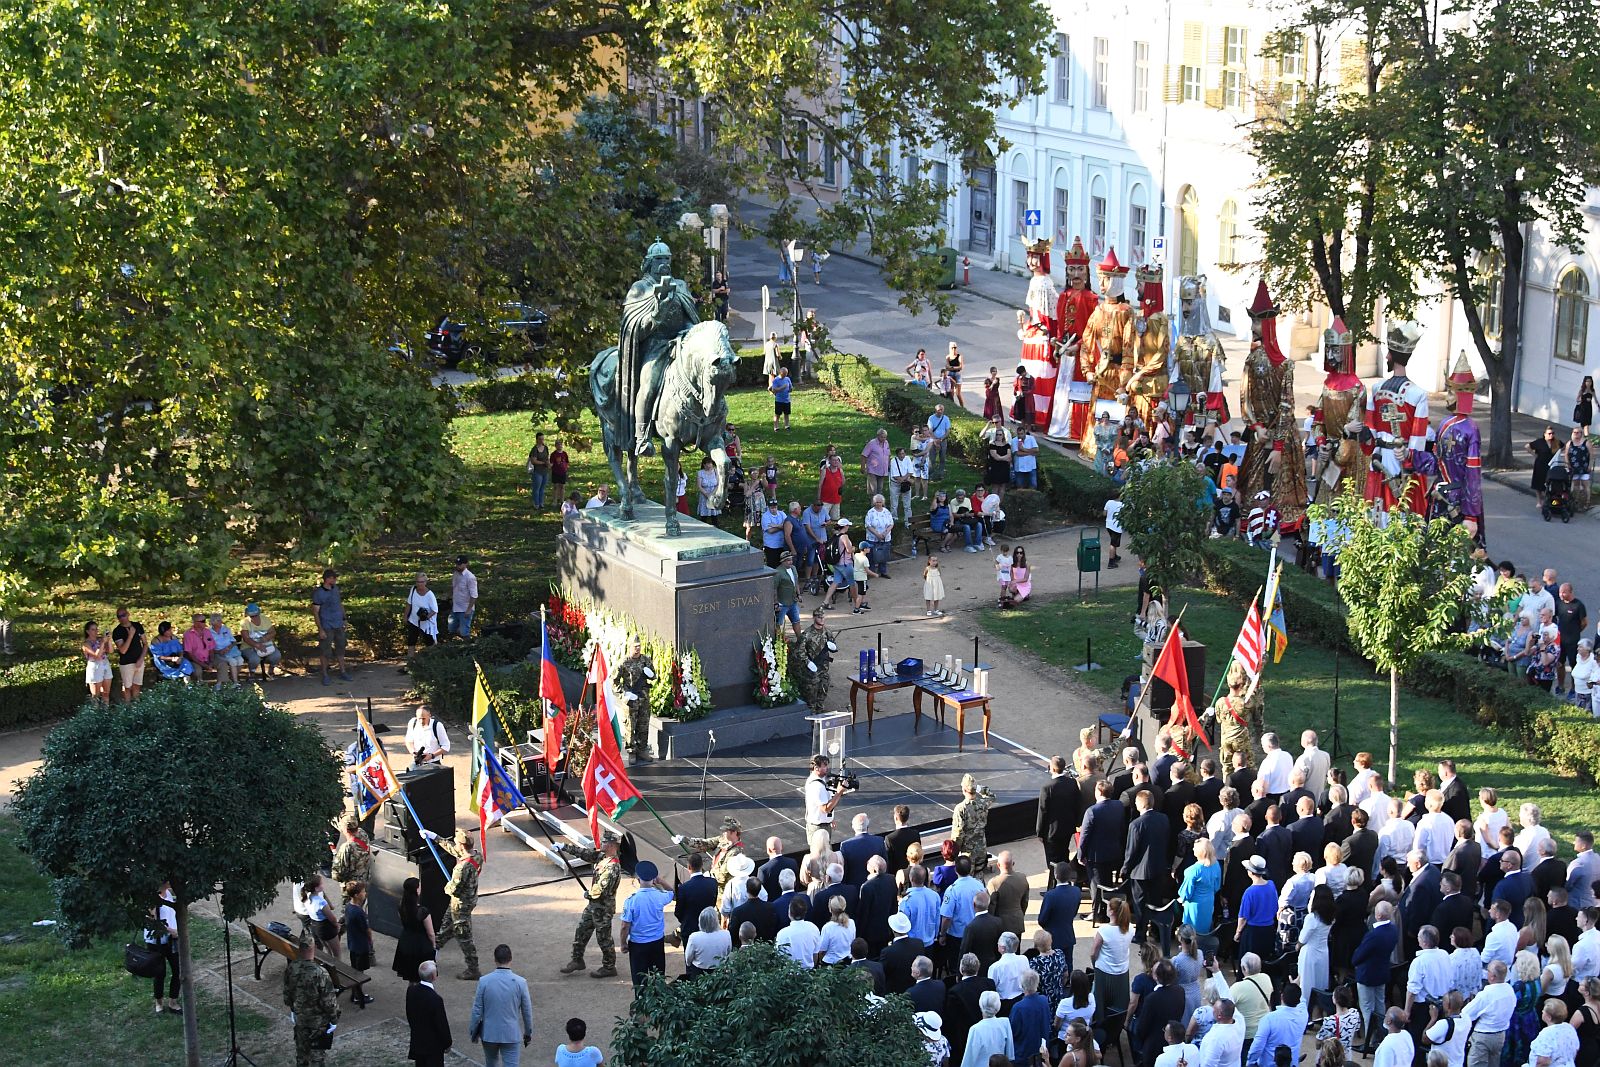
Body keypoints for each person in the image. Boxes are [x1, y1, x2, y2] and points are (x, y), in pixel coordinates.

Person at [554, 831, 623, 978]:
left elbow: (601, 890)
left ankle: (609, 967)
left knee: (603, 938)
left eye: (604, 842)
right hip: (594, 906)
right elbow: (586, 854)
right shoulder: (602, 857)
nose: (601, 844)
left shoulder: (613, 868)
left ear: (611, 845)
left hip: (603, 909)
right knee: (581, 931)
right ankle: (577, 960)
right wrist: (564, 847)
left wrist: (588, 894)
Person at [420, 827, 482, 980]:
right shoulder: (476, 855)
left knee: (463, 936)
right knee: (446, 926)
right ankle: (433, 951)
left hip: (461, 904)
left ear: (461, 845)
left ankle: (473, 968)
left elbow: (452, 889)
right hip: (465, 901)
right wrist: (435, 836)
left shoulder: (461, 868)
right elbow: (455, 851)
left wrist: (446, 886)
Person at [469, 944, 533, 1067]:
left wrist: (473, 1031)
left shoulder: (484, 981)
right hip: (511, 1033)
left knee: (491, 1063)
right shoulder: (521, 982)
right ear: (511, 959)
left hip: (489, 1033)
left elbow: (477, 1009)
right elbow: (527, 1011)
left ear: (495, 960)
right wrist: (528, 1033)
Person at [287, 935, 342, 1067]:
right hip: (318, 1022)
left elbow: (287, 994)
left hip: (300, 1018)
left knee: (301, 1053)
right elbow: (328, 1001)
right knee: (317, 1056)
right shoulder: (320, 973)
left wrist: (293, 1009)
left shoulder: (292, 968)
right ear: (314, 948)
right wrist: (334, 1019)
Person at [618, 861, 673, 990]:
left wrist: (623, 943)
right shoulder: (660, 896)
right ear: (654, 879)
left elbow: (625, 926)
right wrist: (661, 881)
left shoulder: (631, 901)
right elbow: (671, 892)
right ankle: (659, 1004)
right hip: (657, 942)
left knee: (639, 980)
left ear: (638, 879)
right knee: (658, 977)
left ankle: (641, 1006)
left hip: (638, 945)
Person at [406, 960, 451, 1067]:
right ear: (434, 976)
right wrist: (447, 1042)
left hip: (418, 1041)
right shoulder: (435, 999)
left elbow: (409, 1014)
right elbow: (441, 1024)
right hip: (433, 1047)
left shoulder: (411, 991)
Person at [392, 876, 438, 982]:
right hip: (421, 945)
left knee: (411, 976)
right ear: (417, 890)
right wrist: (433, 946)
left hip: (406, 941)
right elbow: (431, 933)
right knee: (423, 975)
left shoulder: (401, 907)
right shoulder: (422, 911)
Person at [145, 881, 181, 1015]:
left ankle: (173, 1001)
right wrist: (170, 930)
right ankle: (159, 1003)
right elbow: (151, 920)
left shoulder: (169, 895)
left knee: (178, 970)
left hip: (172, 939)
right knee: (160, 973)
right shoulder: (153, 898)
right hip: (156, 941)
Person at [311, 568, 351, 685]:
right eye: (333, 578)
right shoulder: (319, 593)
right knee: (325, 651)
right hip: (327, 625)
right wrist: (321, 629)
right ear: (328, 579)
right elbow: (315, 612)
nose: (335, 580)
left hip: (338, 623)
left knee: (341, 647)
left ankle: (343, 671)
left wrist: (344, 618)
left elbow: (340, 604)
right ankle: (325, 674)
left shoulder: (336, 589)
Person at [959, 991, 1013, 1067]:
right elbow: (1010, 1055)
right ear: (998, 1006)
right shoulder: (1005, 1023)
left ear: (980, 1006)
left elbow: (968, 1059)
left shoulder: (975, 1029)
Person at [344, 882, 375, 1006]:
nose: (365, 893)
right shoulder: (358, 912)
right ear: (357, 895)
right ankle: (358, 995)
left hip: (352, 943)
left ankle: (355, 993)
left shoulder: (348, 907)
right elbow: (367, 930)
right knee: (359, 972)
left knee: (355, 969)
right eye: (363, 892)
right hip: (361, 945)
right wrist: (370, 941)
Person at [111, 607, 147, 703]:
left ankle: (136, 707)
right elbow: (123, 650)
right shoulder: (117, 631)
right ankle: (127, 708)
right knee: (127, 687)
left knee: (137, 686)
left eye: (123, 615)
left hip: (139, 661)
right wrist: (130, 635)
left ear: (128, 614)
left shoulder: (137, 626)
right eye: (119, 617)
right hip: (126, 663)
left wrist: (141, 658)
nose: (122, 618)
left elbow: (145, 644)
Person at [686, 905, 732, 976]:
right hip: (719, 972)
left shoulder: (694, 937)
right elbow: (728, 953)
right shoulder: (726, 934)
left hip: (699, 972)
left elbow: (688, 960)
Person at [241, 602, 283, 679]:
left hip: (266, 644)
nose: (254, 617)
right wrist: (257, 645)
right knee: (254, 658)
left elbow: (273, 632)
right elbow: (246, 638)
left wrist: (265, 638)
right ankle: (252, 673)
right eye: (252, 616)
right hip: (249, 647)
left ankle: (271, 670)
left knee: (277, 655)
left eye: (256, 615)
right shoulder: (245, 623)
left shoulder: (265, 620)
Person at [208, 610, 244, 687]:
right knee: (233, 661)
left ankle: (232, 677)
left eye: (220, 620)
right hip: (219, 653)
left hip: (231, 650)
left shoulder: (226, 629)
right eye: (218, 620)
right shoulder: (209, 632)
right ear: (213, 622)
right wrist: (219, 651)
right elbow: (209, 647)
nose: (221, 622)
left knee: (240, 660)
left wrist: (229, 647)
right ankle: (235, 682)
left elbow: (234, 641)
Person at [404, 574, 440, 648]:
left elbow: (435, 610)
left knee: (430, 643)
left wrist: (426, 617)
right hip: (413, 621)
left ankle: (432, 657)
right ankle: (410, 658)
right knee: (411, 642)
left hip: (427, 624)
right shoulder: (413, 589)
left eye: (421, 582)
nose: (419, 584)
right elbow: (409, 604)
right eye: (418, 582)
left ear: (425, 582)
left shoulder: (430, 595)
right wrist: (405, 616)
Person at [82, 620, 112, 704]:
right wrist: (102, 643)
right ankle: (95, 713)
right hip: (95, 667)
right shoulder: (86, 644)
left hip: (105, 664)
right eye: (93, 629)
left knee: (106, 693)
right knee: (96, 695)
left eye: (96, 629)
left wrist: (108, 640)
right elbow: (96, 656)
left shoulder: (100, 639)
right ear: (87, 631)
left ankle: (105, 712)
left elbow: (111, 651)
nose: (96, 631)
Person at [862, 427, 892, 498]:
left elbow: (888, 455)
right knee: (873, 490)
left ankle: (879, 505)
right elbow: (863, 455)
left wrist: (889, 465)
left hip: (882, 470)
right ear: (878, 436)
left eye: (885, 437)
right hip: (873, 470)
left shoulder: (886, 443)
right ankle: (873, 505)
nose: (884, 439)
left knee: (880, 489)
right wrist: (863, 467)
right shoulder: (872, 443)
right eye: (882, 437)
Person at [526, 432, 551, 509]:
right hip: (537, 471)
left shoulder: (545, 448)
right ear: (536, 439)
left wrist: (548, 464)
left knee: (542, 488)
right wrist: (543, 463)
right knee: (536, 488)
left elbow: (547, 458)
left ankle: (541, 503)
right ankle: (536, 503)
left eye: (542, 439)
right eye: (540, 439)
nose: (541, 441)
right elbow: (534, 461)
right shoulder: (534, 449)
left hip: (545, 471)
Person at [929, 404, 952, 479]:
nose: (940, 411)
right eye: (939, 410)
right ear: (935, 410)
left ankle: (940, 474)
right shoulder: (931, 418)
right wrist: (935, 439)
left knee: (942, 458)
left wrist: (941, 439)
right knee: (932, 458)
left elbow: (948, 431)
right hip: (933, 440)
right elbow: (930, 430)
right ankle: (931, 474)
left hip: (943, 440)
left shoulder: (946, 418)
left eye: (942, 410)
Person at [769, 364, 793, 431]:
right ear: (780, 373)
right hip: (779, 400)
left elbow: (790, 388)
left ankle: (787, 426)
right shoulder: (776, 380)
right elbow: (774, 390)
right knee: (778, 414)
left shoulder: (787, 379)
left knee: (787, 414)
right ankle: (776, 427)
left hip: (787, 400)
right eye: (784, 374)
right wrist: (782, 388)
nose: (785, 375)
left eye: (786, 374)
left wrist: (791, 389)